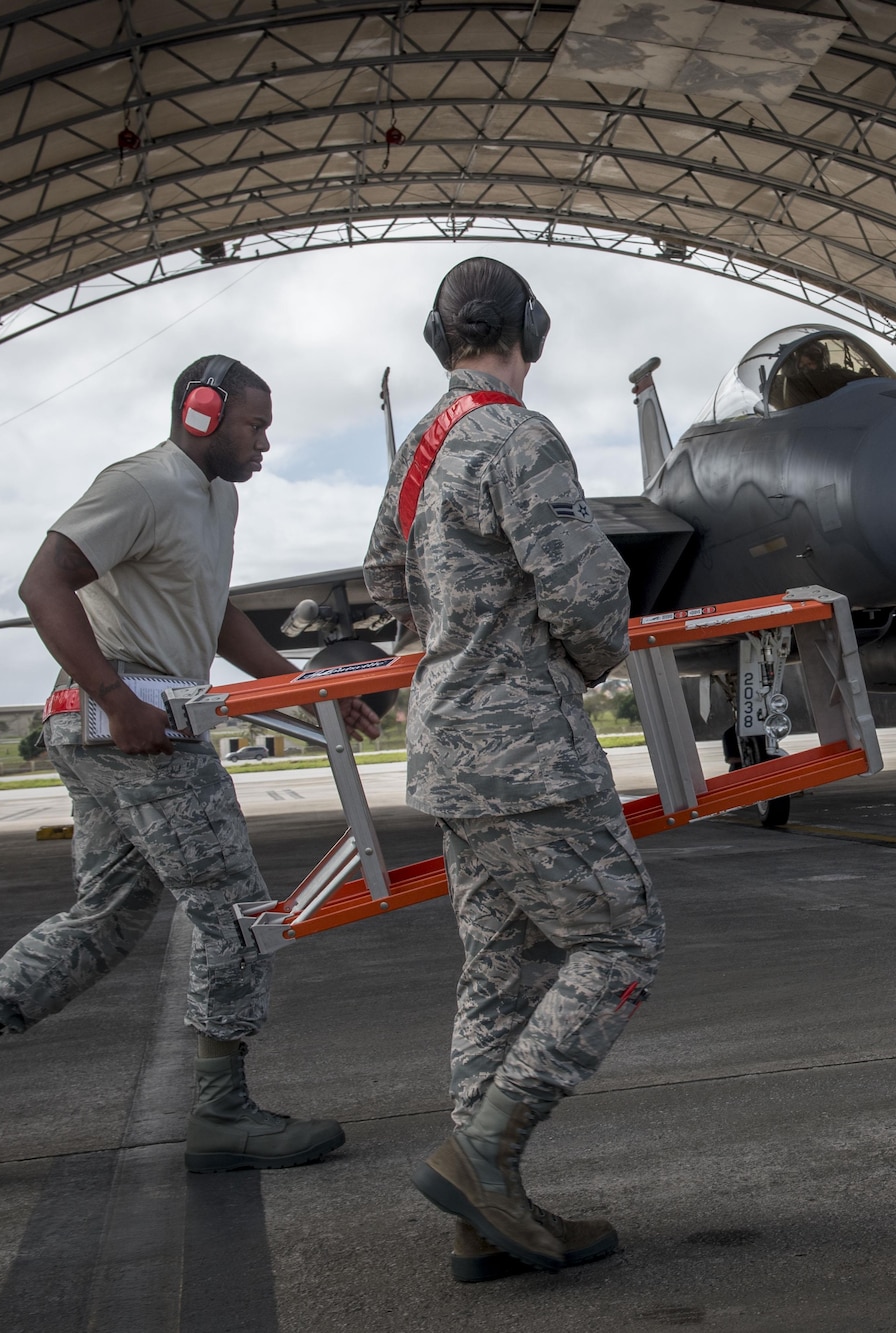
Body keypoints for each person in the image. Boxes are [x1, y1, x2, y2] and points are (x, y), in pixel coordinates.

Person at [0, 355, 380, 1181]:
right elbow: (42, 584)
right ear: (202, 413)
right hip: (128, 724)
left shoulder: (218, 496)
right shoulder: (141, 484)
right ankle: (220, 1111)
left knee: (106, 916)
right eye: (255, 424)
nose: (267, 442)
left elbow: (214, 617)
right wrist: (117, 695)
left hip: (126, 723)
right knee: (237, 907)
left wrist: (307, 688)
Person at [363, 257, 663, 1281]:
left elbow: (377, 579)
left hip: (445, 746)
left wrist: (456, 633)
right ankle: (482, 1155)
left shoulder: (418, 448)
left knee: (497, 971)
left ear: (435, 338)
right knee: (620, 943)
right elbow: (586, 601)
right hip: (524, 746)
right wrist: (568, 659)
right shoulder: (518, 435)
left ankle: (482, 1218)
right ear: (529, 328)